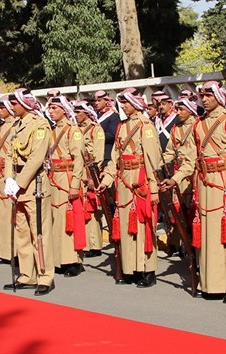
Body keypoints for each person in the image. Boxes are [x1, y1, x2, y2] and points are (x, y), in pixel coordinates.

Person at [98, 88, 162, 288]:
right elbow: (115, 157)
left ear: (135, 103)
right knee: (126, 226)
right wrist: (107, 179)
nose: (123, 106)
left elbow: (153, 161)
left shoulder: (146, 126)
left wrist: (154, 189)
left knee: (143, 226)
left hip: (140, 181)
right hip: (124, 181)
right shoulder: (121, 127)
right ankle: (130, 269)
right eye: (121, 102)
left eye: (125, 102)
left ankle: (147, 269)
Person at [191, 81, 226, 303]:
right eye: (202, 95)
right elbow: (193, 158)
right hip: (204, 184)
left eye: (209, 95)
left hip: (223, 183)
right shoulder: (198, 123)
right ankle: (209, 283)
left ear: (219, 96)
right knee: (206, 235)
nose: (204, 99)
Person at [3, 88, 55, 296]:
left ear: (24, 104)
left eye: (14, 104)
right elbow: (8, 154)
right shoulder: (17, 125)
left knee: (39, 233)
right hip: (18, 184)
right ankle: (27, 274)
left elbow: (36, 157)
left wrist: (19, 182)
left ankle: (45, 275)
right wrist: (8, 178)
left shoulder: (40, 125)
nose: (11, 108)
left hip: (35, 185)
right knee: (22, 232)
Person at [46, 96, 86, 277]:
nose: (51, 111)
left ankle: (72, 261)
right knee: (55, 220)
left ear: (64, 109)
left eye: (54, 108)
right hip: (53, 179)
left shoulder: (73, 131)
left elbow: (79, 160)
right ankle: (58, 259)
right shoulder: (50, 130)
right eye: (50, 108)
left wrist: (75, 185)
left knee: (68, 220)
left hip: (68, 179)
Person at [158, 98, 198, 258]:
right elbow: (169, 152)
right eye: (178, 109)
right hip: (178, 174)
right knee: (180, 212)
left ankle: (194, 245)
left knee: (193, 212)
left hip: (193, 174)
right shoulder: (175, 128)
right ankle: (183, 244)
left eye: (182, 109)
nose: (178, 113)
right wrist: (156, 163)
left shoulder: (197, 126)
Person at [73, 101, 105, 258]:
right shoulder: (75, 130)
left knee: (92, 209)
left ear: (86, 112)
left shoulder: (95, 129)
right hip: (78, 171)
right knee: (81, 206)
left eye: (78, 112)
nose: (76, 114)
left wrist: (94, 175)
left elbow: (98, 154)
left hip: (90, 171)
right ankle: (84, 243)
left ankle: (95, 245)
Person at [0, 96, 17, 264]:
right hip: (0, 174)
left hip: (12, 175)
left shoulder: (16, 127)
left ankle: (15, 252)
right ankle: (5, 252)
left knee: (14, 216)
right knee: (3, 215)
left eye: (2, 108)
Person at [92, 90, 121, 168]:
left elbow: (112, 135)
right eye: (95, 101)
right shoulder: (95, 115)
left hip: (106, 154)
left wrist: (95, 136)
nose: (96, 103)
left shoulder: (113, 115)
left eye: (99, 100)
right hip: (95, 153)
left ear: (106, 101)